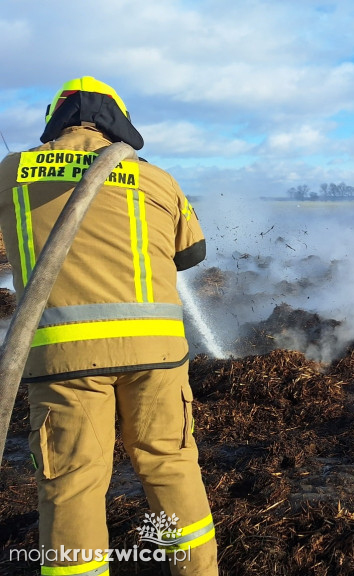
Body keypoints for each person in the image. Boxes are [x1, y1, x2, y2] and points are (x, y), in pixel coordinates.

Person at [0, 77, 217, 575]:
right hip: (158, 356)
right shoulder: (156, 177)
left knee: (73, 481)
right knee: (170, 467)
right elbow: (193, 253)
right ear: (118, 120)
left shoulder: (13, 171)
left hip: (63, 361)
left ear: (57, 117)